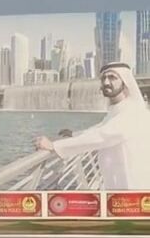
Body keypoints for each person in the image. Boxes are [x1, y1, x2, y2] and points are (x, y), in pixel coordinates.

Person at [34, 62, 150, 190]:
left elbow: (103, 135)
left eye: (112, 77)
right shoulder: (118, 109)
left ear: (125, 82)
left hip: (134, 187)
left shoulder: (132, 112)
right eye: (103, 78)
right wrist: (73, 134)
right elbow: (100, 128)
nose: (106, 82)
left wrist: (54, 146)